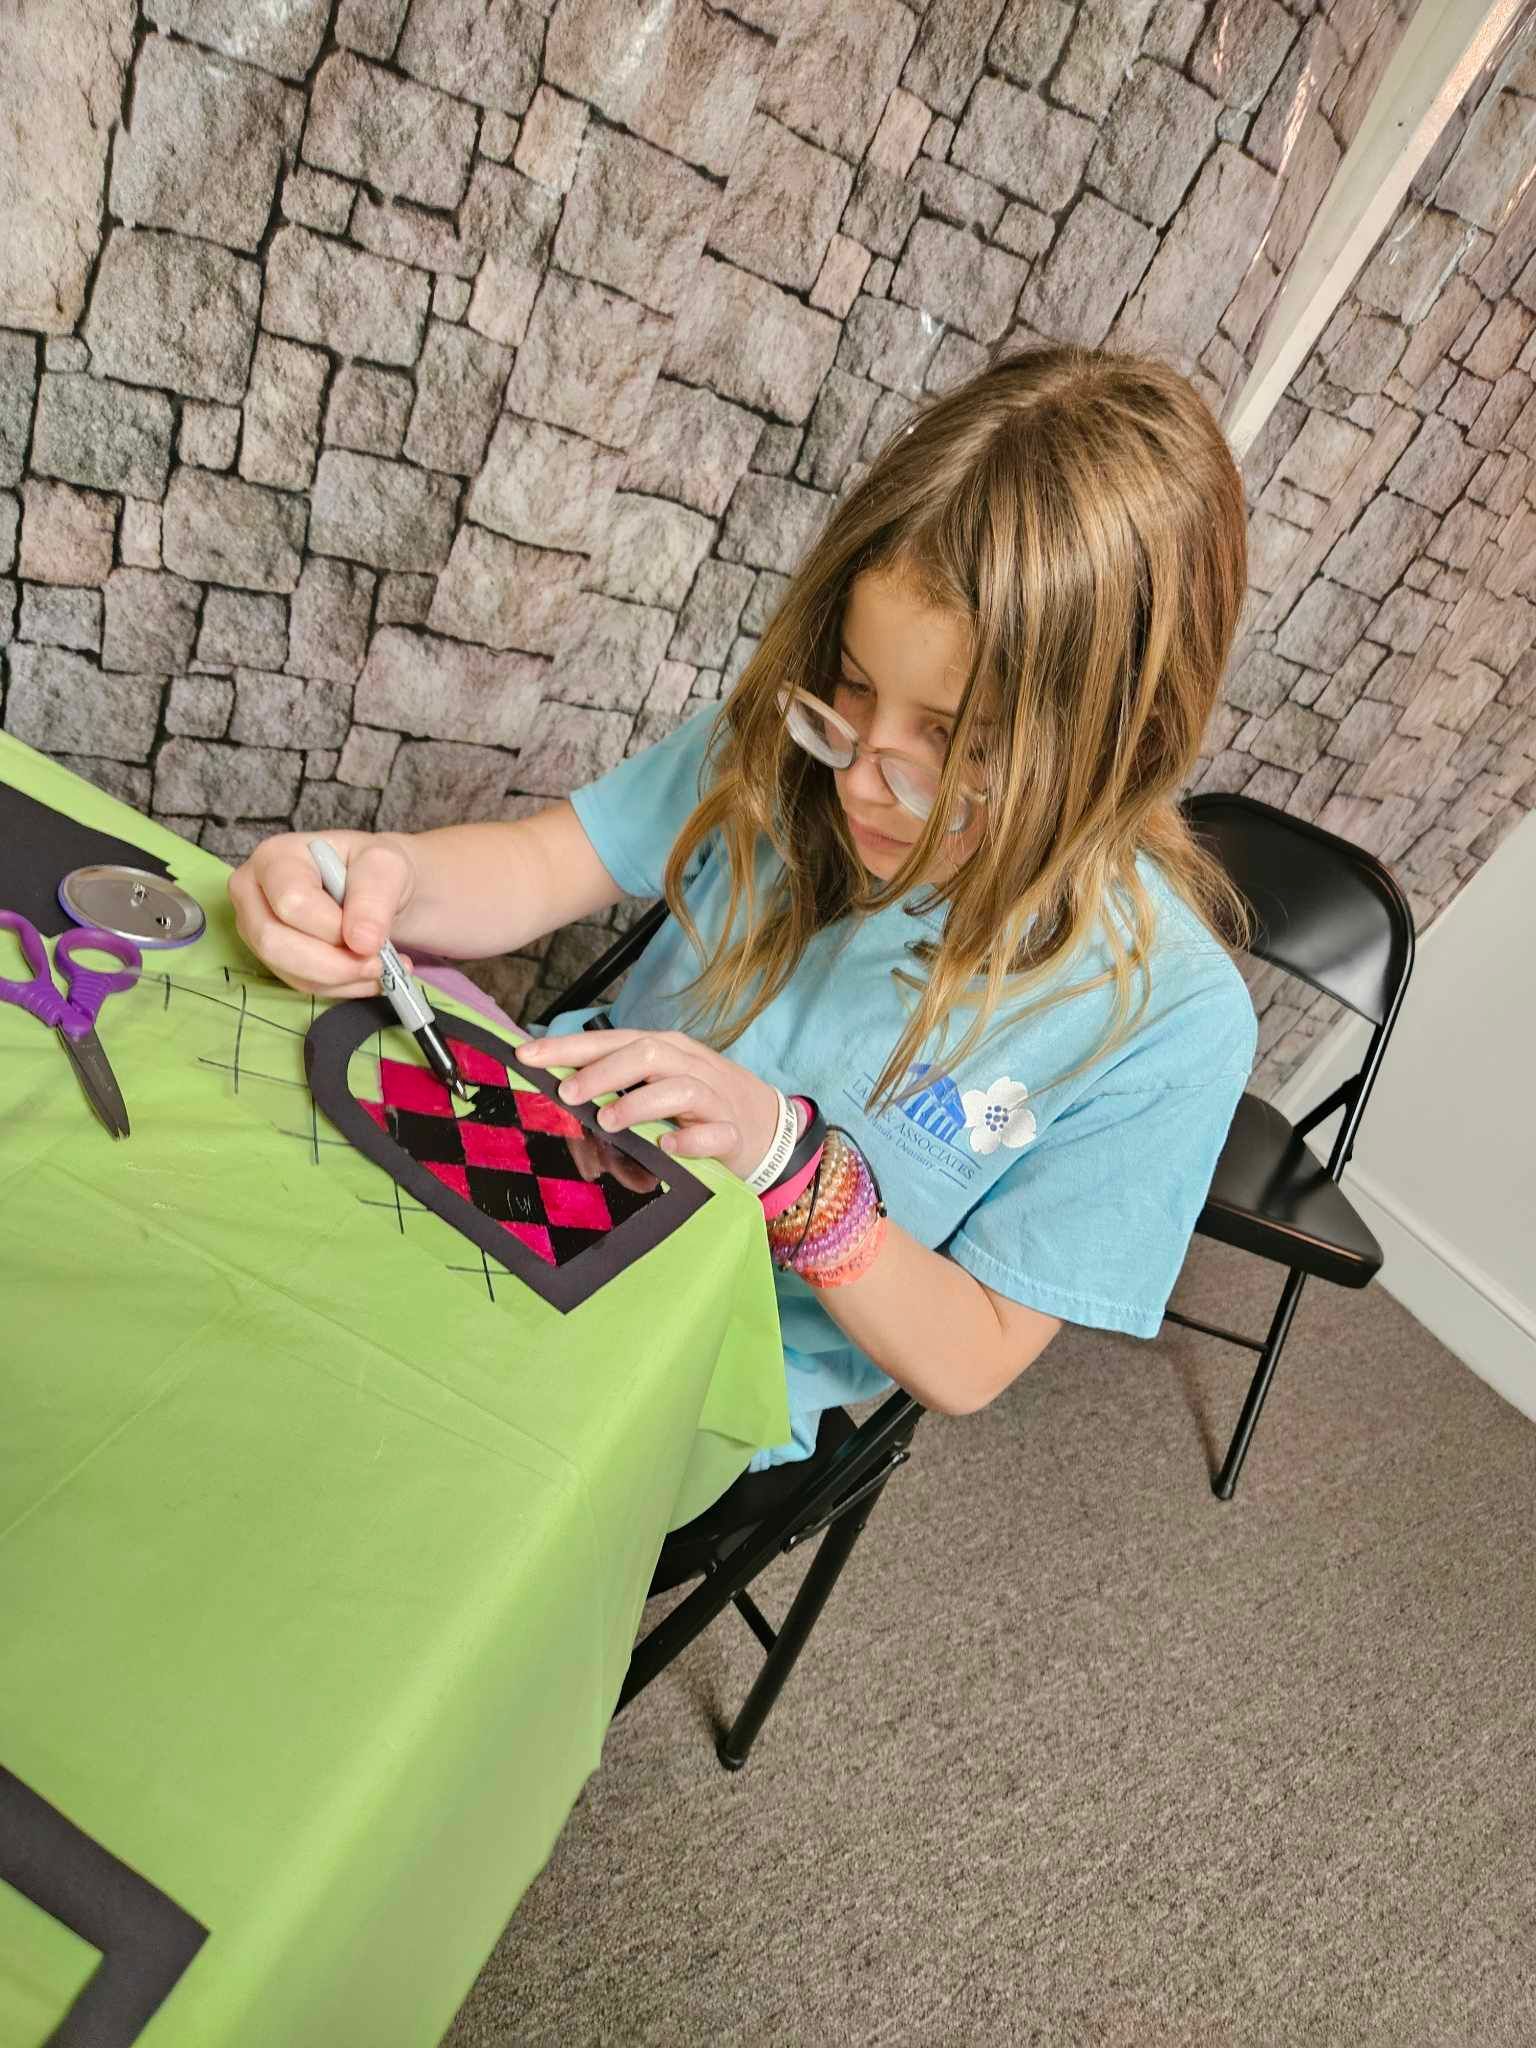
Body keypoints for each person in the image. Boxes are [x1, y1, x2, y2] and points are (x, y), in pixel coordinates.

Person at [230, 343, 1257, 1490]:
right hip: (528, 1162)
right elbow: (541, 860)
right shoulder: (793, 738)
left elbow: (969, 1360)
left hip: (704, 1363)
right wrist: (371, 874)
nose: (865, 777)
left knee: (367, 1478)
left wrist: (793, 1167)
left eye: (954, 743)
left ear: (1121, 744)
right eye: (854, 690)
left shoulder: (1163, 1017)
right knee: (243, 1264)